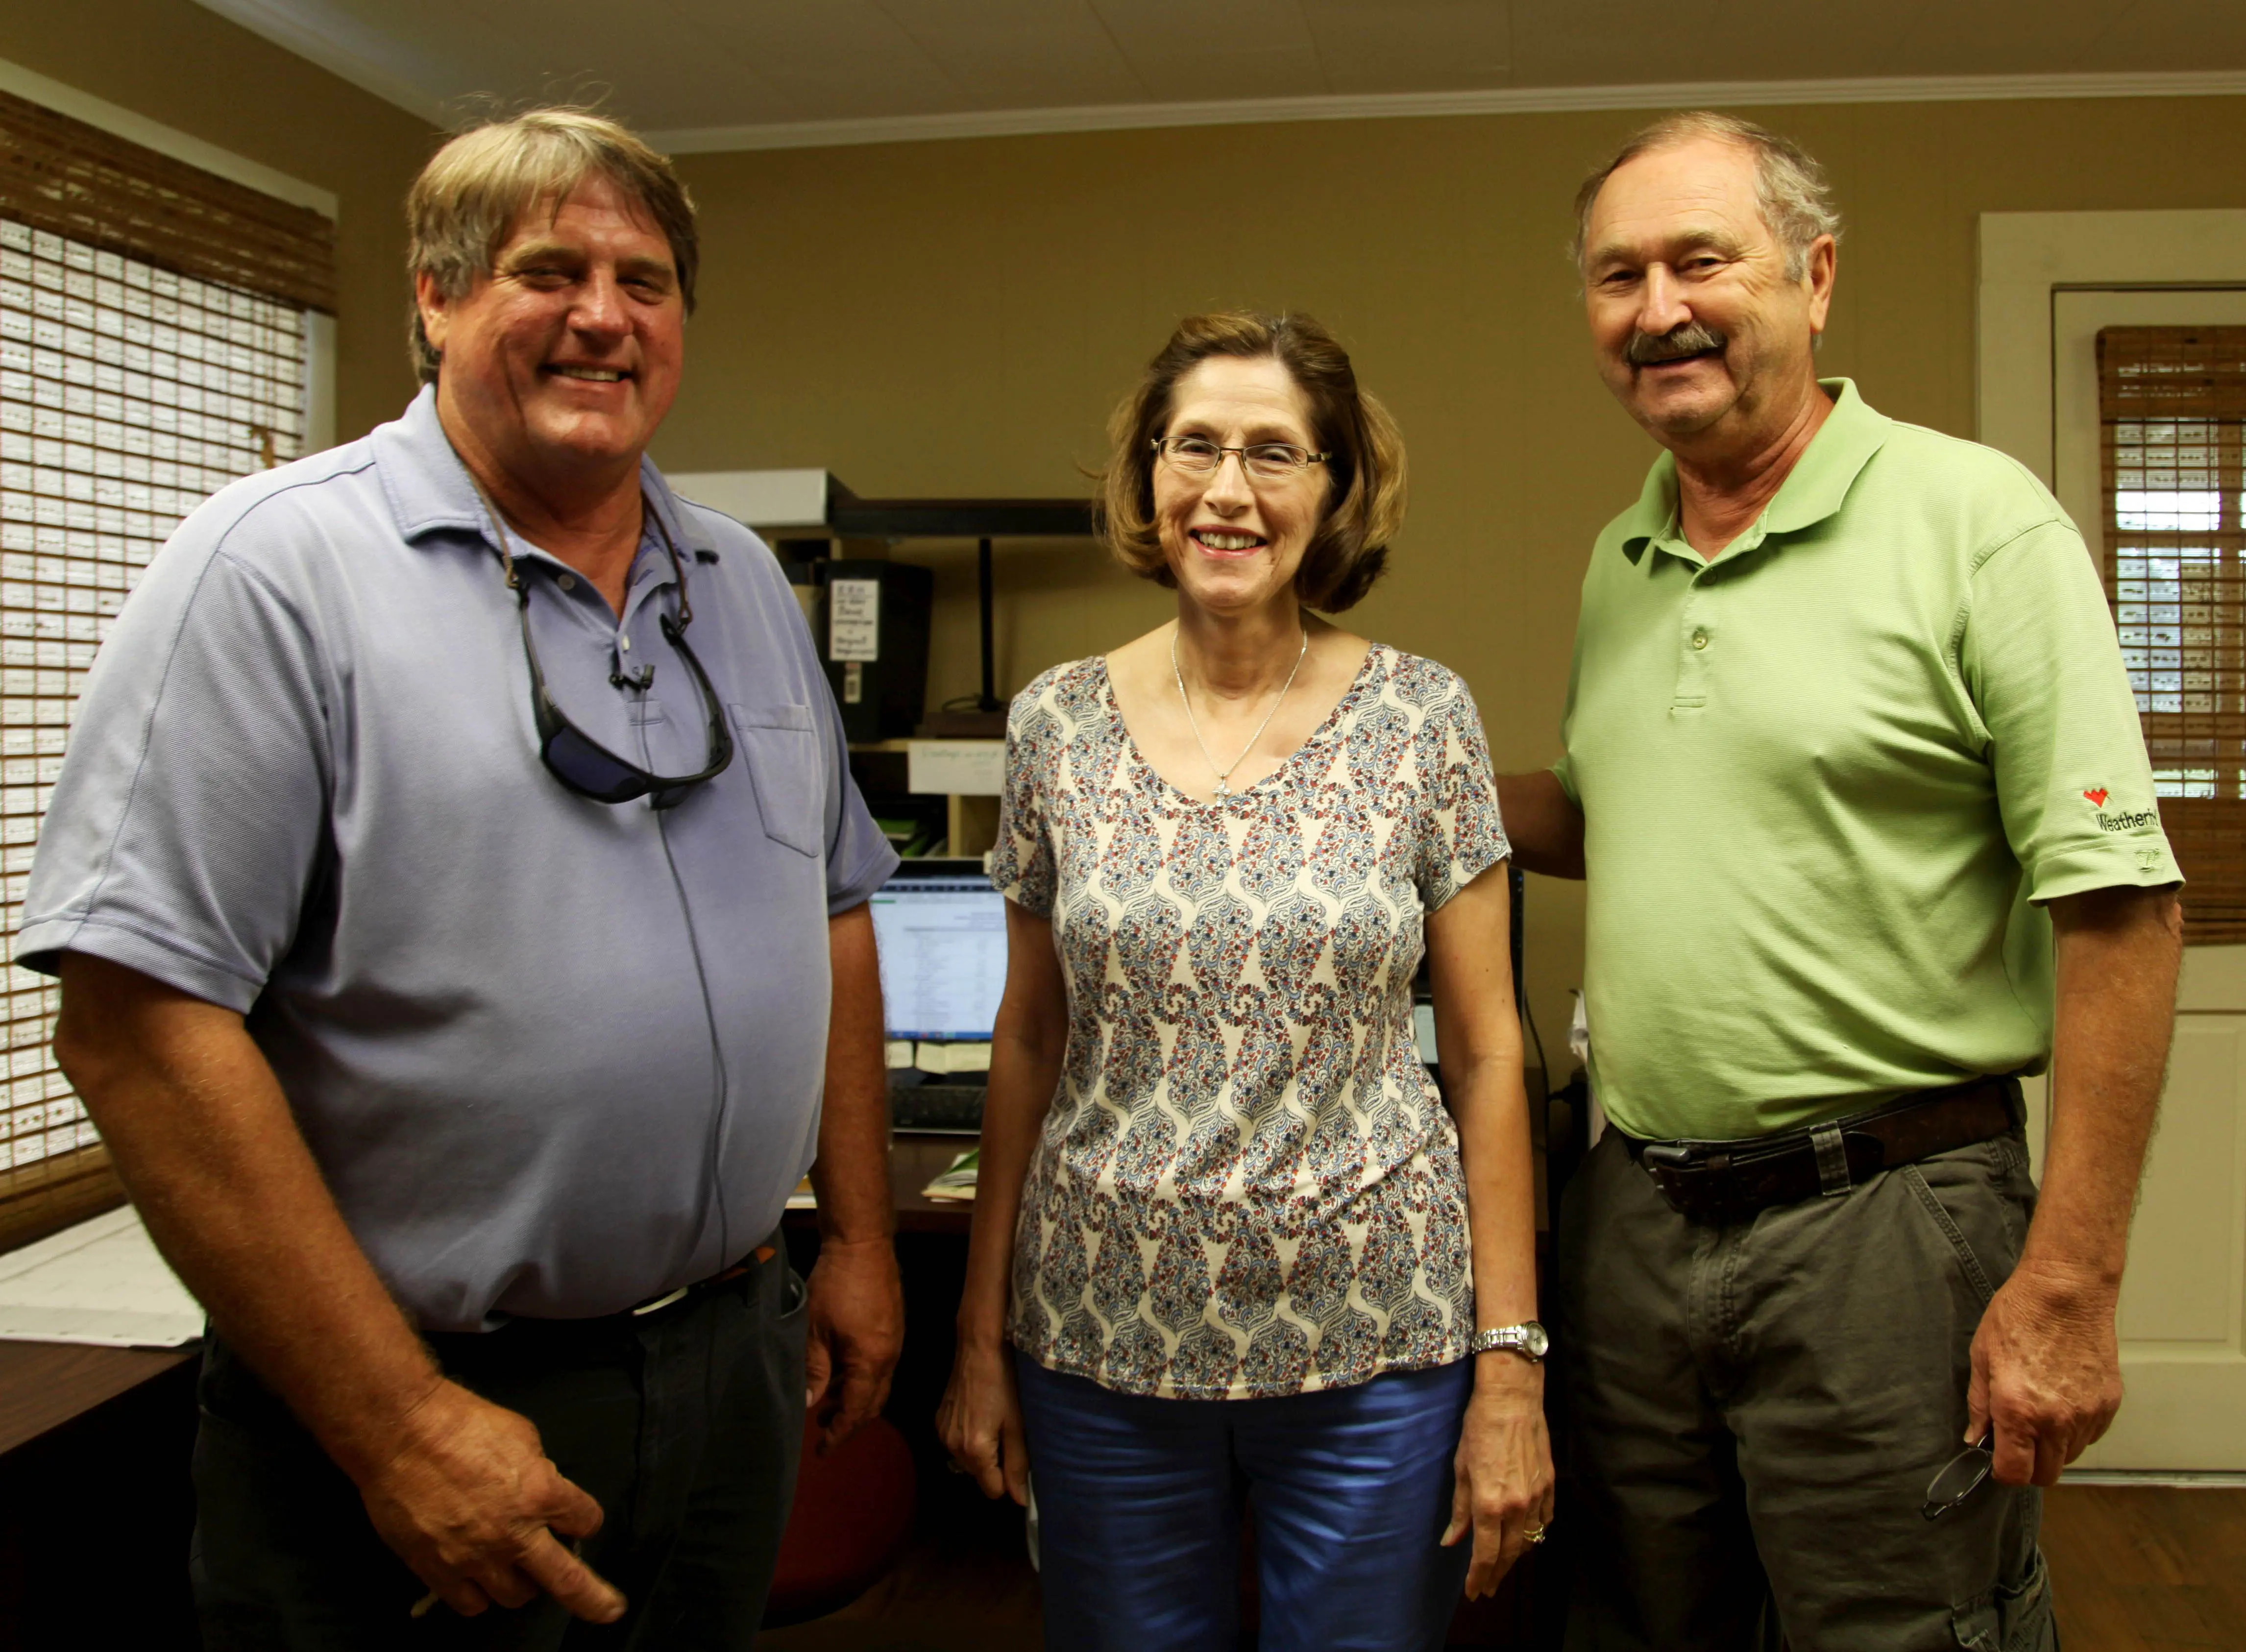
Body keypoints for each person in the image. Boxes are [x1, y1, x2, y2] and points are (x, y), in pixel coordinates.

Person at [19, 109, 904, 1649]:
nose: (602, 316)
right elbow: (136, 1030)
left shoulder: (743, 586)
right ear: (433, 298)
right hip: (434, 1393)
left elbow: (829, 914)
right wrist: (400, 1424)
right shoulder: (275, 572)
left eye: (644, 281)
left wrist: (864, 1238)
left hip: (732, 1359)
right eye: (547, 271)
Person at [1497, 111, 2185, 1651]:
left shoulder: (1975, 520)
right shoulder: (1623, 557)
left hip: (1887, 1223)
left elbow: (2124, 907)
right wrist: (1390, 773)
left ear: (1814, 279)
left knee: (1907, 1630)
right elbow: (1620, 814)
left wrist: (2072, 1282)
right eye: (1617, 275)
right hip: (1637, 1217)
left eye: (1701, 260)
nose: (1657, 308)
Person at [936, 311, 1554, 1652]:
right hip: (1102, 1336)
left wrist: (1511, 1360)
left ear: (1335, 489)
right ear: (1149, 476)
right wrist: (980, 1332)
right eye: (1195, 447)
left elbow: (1489, 1052)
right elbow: (1028, 1038)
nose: (1228, 490)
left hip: (1372, 1337)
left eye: (1274, 452)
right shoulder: (1054, 723)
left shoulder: (1422, 718)